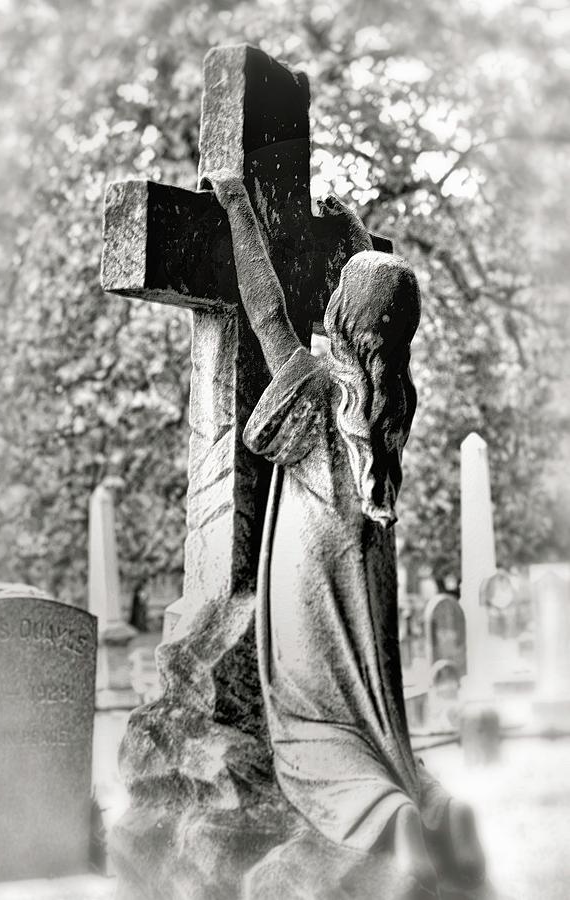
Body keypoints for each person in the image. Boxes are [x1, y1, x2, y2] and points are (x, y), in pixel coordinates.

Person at [205, 171, 485, 897]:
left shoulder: (313, 388)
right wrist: (358, 238)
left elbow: (265, 309)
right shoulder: (391, 403)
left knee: (317, 724)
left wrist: (237, 204)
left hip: (312, 577)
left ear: (337, 310)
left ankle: (395, 827)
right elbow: (376, 315)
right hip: (366, 569)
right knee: (374, 704)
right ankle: (436, 808)